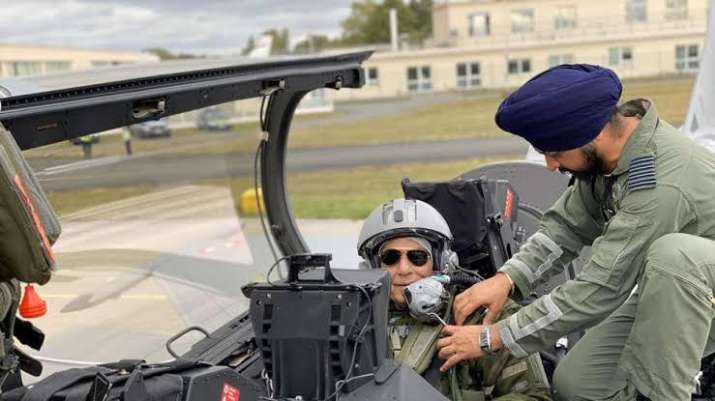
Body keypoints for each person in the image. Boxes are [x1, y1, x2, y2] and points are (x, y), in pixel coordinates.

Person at [436, 64, 715, 401]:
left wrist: (491, 338)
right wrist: (507, 280)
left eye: (555, 153)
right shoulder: (611, 159)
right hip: (682, 293)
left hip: (688, 283)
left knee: (673, 256)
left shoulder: (658, 182)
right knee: (580, 383)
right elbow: (565, 228)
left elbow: (601, 288)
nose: (552, 166)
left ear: (590, 134)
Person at [358, 198, 552, 401]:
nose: (404, 269)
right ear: (373, 266)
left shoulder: (480, 317)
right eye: (390, 258)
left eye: (417, 257)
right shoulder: (354, 321)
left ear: (441, 262)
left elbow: (534, 397)